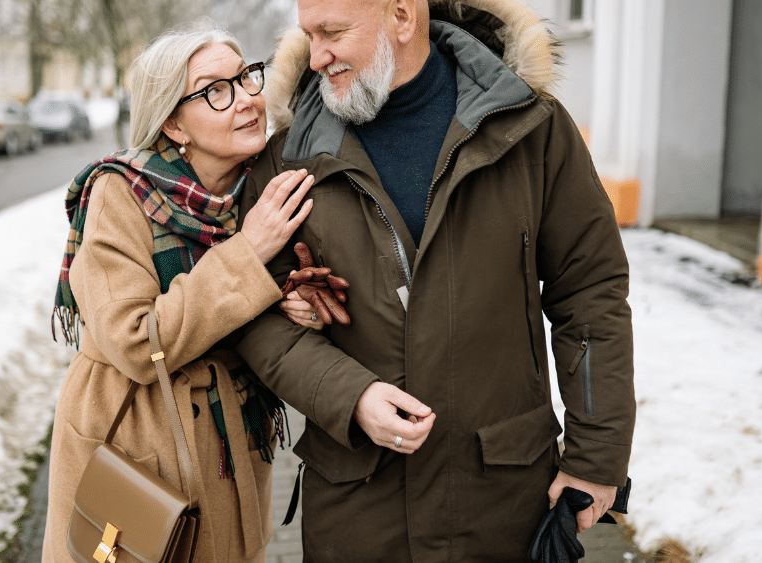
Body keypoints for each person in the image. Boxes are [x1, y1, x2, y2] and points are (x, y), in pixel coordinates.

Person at [235, 0, 636, 561]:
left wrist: (596, 460)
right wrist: (350, 397)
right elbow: (253, 314)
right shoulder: (290, 156)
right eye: (308, 34)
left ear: (402, 18)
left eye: (332, 33)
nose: (315, 56)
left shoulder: (530, 128)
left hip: (501, 502)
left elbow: (590, 293)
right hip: (358, 513)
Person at [40, 23, 333, 563]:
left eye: (246, 78)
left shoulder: (258, 189)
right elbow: (135, 341)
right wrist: (250, 253)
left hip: (230, 447)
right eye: (214, 91)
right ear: (174, 122)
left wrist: (290, 304)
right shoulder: (119, 195)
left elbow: (238, 305)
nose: (246, 100)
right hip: (136, 444)